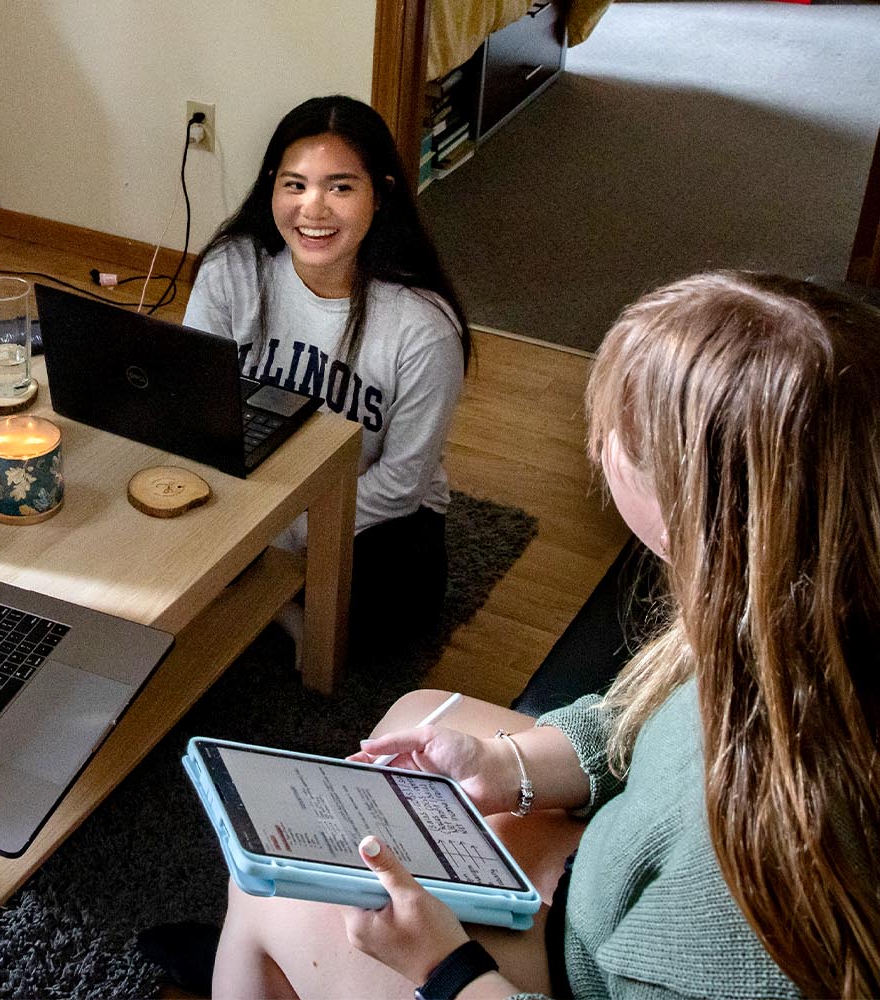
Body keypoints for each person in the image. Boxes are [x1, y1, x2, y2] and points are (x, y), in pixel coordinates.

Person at [210, 271, 880, 998]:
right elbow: (639, 730)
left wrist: (441, 965)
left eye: (624, 434)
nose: (603, 444)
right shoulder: (796, 613)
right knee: (417, 710)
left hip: (585, 965)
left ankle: (262, 958)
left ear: (701, 508)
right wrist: (505, 768)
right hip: (610, 881)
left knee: (264, 892)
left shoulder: (764, 862)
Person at [183, 94, 470, 642]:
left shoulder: (423, 327)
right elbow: (194, 403)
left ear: (380, 195)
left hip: (369, 511)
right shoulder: (232, 268)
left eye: (340, 187)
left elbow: (401, 483)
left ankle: (270, 595)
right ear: (271, 185)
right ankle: (276, 598)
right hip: (252, 480)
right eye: (295, 185)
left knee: (388, 617)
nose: (313, 209)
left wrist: (282, 532)